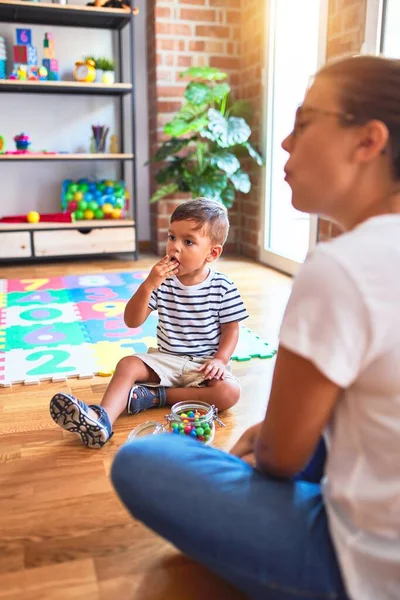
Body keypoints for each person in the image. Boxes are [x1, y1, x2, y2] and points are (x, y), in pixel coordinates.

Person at [110, 55, 400, 600]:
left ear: (368, 141)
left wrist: (266, 440)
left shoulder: (341, 265)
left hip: (366, 569)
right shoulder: (167, 280)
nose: (285, 145)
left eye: (304, 122)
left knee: (143, 459)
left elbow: (281, 457)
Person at [49, 197, 248, 449]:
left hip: (203, 365)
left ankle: (153, 396)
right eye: (171, 237)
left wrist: (220, 359)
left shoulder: (223, 286)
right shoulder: (162, 282)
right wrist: (148, 285)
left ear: (212, 253)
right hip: (166, 360)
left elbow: (232, 329)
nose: (174, 248)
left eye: (188, 242)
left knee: (230, 392)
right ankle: (101, 420)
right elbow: (132, 321)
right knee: (128, 364)